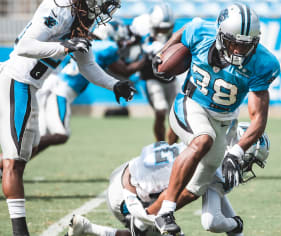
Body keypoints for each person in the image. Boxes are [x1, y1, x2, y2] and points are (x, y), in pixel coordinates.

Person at [0, 0, 135, 235]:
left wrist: (114, 85)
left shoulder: (80, 18)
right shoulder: (60, 8)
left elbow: (87, 65)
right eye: (102, 3)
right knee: (14, 162)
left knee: (24, 153)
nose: (103, 9)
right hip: (17, 81)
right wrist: (63, 46)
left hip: (30, 87)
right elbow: (24, 46)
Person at [149, 3, 280, 235]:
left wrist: (236, 152)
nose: (239, 51)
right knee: (203, 140)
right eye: (234, 43)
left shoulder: (263, 63)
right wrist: (163, 53)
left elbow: (258, 118)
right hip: (191, 103)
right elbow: (186, 30)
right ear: (220, 35)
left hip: (224, 121)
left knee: (196, 188)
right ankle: (165, 212)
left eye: (245, 45)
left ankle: (146, 218)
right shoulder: (201, 32)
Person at [65, 121, 270, 236]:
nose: (246, 166)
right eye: (248, 160)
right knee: (155, 230)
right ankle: (93, 230)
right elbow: (212, 221)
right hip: (129, 196)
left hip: (124, 173)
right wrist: (236, 225)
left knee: (154, 229)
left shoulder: (207, 141)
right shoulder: (214, 169)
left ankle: (89, 228)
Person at [35, 21, 144, 155]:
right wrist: (146, 59)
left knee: (44, 136)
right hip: (59, 91)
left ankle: (7, 164)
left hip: (53, 87)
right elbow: (125, 70)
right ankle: (5, 161)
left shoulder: (90, 45)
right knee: (60, 135)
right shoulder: (108, 47)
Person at [130, 3, 180, 144]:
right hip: (151, 78)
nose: (163, 32)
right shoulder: (141, 28)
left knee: (176, 115)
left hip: (171, 78)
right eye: (160, 28)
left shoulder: (174, 35)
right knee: (160, 110)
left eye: (166, 29)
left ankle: (171, 147)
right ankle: (160, 145)